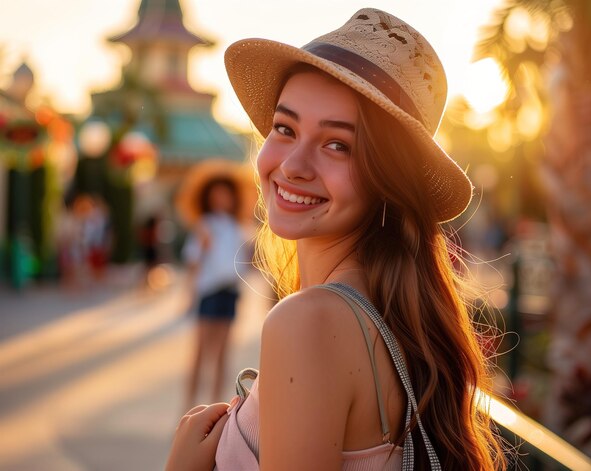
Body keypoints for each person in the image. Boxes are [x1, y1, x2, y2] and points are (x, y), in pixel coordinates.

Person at [166, 8, 507, 470]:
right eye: (285, 129)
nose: (293, 165)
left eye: (337, 145)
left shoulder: (308, 322)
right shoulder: (390, 318)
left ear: (388, 179)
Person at [181, 176, 245, 410]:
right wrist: (189, 294)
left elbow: (240, 264)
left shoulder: (236, 227)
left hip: (229, 292)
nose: (221, 199)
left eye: (225, 194)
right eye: (216, 195)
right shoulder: (204, 224)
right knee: (200, 352)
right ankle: (189, 406)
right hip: (209, 291)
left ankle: (216, 407)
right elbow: (193, 261)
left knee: (223, 353)